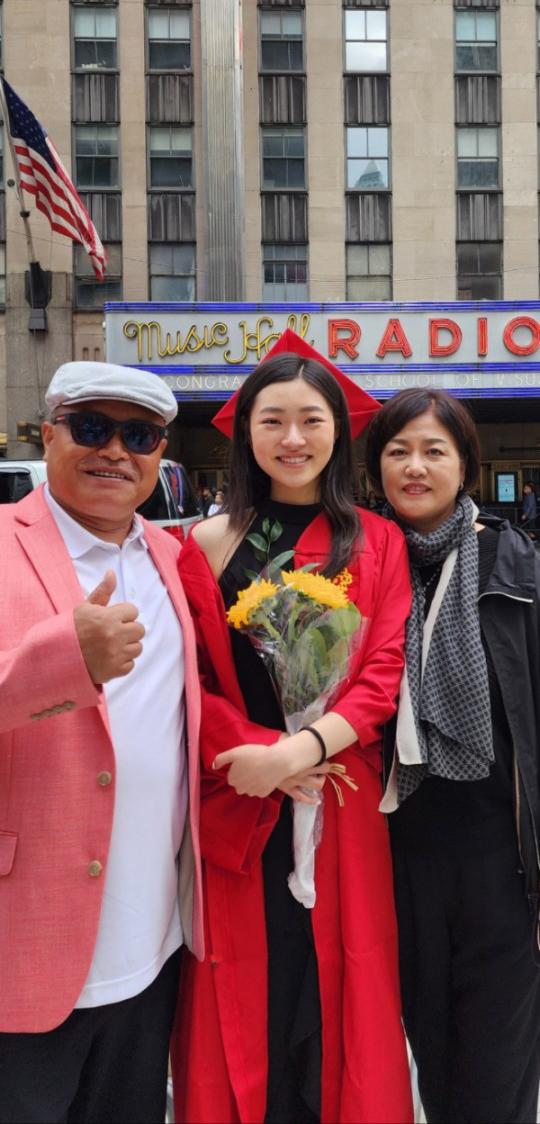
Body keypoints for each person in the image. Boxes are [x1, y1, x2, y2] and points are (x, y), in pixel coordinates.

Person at [172, 329, 414, 1124]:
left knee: (341, 988)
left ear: (339, 431)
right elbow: (187, 682)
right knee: (254, 989)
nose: (292, 438)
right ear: (245, 432)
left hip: (339, 795)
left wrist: (303, 750)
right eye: (272, 419)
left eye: (311, 419)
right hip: (242, 794)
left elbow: (382, 674)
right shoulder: (205, 544)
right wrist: (257, 756)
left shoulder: (376, 542)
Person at [0, 361, 203, 1124]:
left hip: (150, 953)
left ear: (160, 455)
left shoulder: (173, 559)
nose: (116, 451)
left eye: (139, 435)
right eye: (92, 428)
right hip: (23, 954)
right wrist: (63, 662)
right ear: (49, 435)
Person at [365, 387, 540, 1124]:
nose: (415, 466)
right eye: (398, 450)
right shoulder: (357, 568)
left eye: (434, 450)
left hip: (503, 864)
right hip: (395, 861)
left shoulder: (517, 566)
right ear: (374, 468)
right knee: (432, 1058)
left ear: (465, 464)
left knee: (497, 1075)